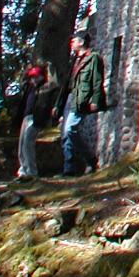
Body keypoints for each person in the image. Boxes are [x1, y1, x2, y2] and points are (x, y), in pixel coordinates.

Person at [55, 31, 106, 176]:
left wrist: (95, 100)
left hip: (81, 99)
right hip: (70, 98)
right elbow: (67, 84)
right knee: (65, 134)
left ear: (82, 42)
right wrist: (58, 105)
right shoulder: (75, 60)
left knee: (70, 129)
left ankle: (91, 159)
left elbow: (97, 81)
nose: (72, 43)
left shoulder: (93, 58)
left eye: (74, 41)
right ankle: (69, 169)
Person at [15, 63, 56, 180]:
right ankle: (23, 170)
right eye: (32, 77)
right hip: (26, 117)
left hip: (37, 118)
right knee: (22, 145)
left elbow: (50, 101)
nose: (34, 79)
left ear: (42, 76)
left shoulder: (47, 87)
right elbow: (22, 83)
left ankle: (32, 172)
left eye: (36, 76)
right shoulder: (29, 87)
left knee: (28, 141)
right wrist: (26, 71)